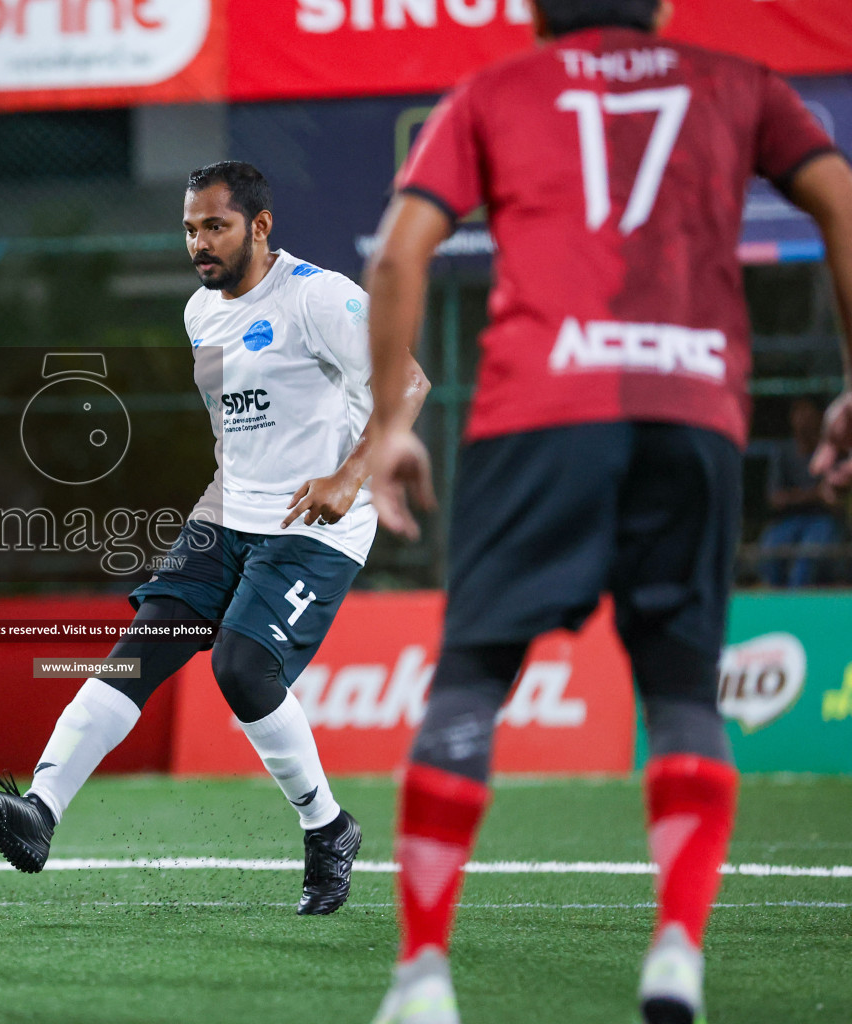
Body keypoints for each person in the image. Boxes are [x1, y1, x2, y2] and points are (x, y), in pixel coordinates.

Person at [361, 0, 852, 1020]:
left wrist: (385, 430)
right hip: (693, 408)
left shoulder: (492, 93)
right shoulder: (741, 82)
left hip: (537, 413)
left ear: (538, 9)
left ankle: (422, 977)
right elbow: (840, 203)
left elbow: (401, 252)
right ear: (663, 4)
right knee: (681, 692)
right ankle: (676, 951)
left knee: (471, 684)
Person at [0, 161, 430, 914]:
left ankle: (328, 829)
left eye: (216, 226)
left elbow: (406, 382)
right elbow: (238, 425)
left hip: (313, 522)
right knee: (139, 649)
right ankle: (39, 811)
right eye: (189, 229)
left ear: (260, 226)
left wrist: (348, 476)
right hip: (225, 516)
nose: (199, 243)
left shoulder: (321, 296)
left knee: (243, 668)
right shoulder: (199, 313)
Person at [760, 397, 842, 587]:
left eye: (808, 413)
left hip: (822, 519)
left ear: (819, 418)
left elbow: (833, 499)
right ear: (792, 419)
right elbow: (776, 499)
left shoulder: (830, 449)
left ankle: (797, 611)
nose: (804, 419)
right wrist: (814, 495)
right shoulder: (783, 451)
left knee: (806, 560)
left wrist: (795, 496)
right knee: (769, 550)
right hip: (788, 520)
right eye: (799, 414)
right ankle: (777, 607)